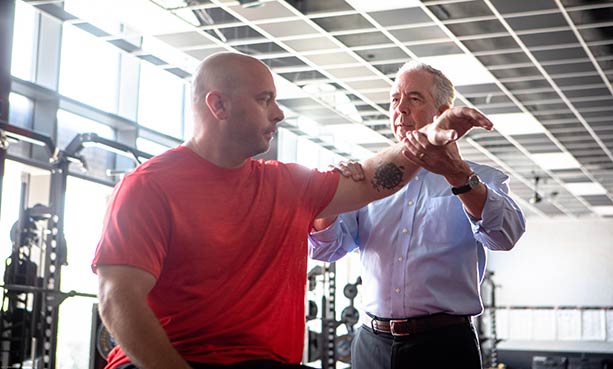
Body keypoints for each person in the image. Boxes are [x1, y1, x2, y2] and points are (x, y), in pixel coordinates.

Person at [91, 52, 493, 369]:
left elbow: (375, 178)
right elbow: (117, 299)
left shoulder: (286, 182)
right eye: (265, 100)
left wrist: (433, 134)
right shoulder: (149, 186)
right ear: (219, 106)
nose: (278, 113)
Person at [309, 60, 526, 369]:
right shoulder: (367, 181)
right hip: (372, 344)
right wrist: (328, 196)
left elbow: (505, 236)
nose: (401, 108)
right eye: (395, 99)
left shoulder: (478, 176)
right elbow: (325, 249)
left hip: (444, 346)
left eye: (414, 98)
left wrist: (459, 176)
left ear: (442, 112)